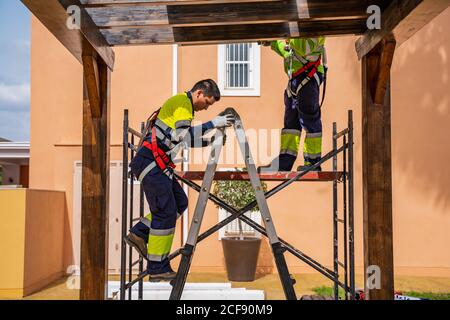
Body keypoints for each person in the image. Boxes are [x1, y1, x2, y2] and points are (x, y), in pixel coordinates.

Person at [125, 79, 235, 281]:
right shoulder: (183, 104)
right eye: (207, 102)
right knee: (165, 213)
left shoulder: (183, 105)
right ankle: (157, 268)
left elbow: (181, 138)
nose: (206, 107)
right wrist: (213, 124)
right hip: (151, 164)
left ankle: (139, 232)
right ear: (200, 93)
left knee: (179, 202)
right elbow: (184, 136)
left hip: (156, 164)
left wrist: (209, 140)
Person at [259, 37, 327, 172]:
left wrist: (280, 40)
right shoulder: (294, 38)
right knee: (291, 124)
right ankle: (284, 163)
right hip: (296, 79)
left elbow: (300, 48)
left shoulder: (313, 33)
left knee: (309, 120)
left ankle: (313, 163)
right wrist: (272, 42)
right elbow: (288, 51)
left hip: (308, 77)